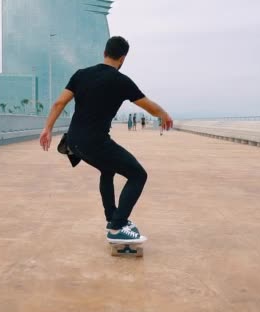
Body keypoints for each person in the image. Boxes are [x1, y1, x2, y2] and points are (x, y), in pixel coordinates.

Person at [39, 36, 173, 243]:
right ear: (123, 58)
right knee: (138, 175)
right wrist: (164, 114)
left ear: (104, 53)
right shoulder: (121, 81)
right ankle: (118, 227)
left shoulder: (81, 75)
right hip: (95, 142)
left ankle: (113, 218)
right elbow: (148, 106)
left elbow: (59, 103)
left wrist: (47, 129)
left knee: (107, 169)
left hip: (73, 141)